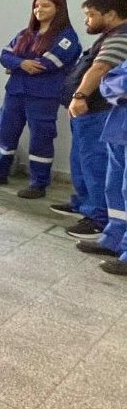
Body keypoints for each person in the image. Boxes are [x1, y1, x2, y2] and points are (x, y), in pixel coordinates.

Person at [0, 0, 81, 198]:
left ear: (58, 9)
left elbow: (47, 64)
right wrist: (20, 63)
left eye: (45, 6)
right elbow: (4, 56)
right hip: (15, 92)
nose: (39, 10)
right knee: (6, 131)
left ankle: (38, 183)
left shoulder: (67, 37)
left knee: (41, 138)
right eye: (36, 6)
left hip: (44, 95)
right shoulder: (25, 34)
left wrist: (15, 65)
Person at [56, 0, 127, 239]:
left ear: (111, 14)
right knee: (82, 160)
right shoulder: (109, 37)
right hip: (90, 113)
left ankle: (98, 217)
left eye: (91, 15)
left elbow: (100, 68)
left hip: (98, 112)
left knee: (95, 164)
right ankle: (85, 204)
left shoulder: (121, 37)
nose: (87, 20)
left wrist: (80, 96)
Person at [77, 53, 127, 275]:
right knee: (114, 187)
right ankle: (113, 239)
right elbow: (107, 83)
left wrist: (119, 85)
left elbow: (116, 81)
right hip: (118, 127)